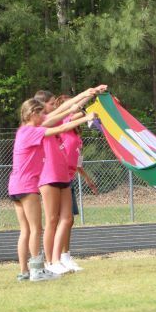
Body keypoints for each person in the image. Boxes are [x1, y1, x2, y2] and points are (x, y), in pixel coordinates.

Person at [9, 98, 99, 282]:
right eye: (41, 113)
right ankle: (37, 271)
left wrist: (82, 100)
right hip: (27, 185)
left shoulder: (22, 130)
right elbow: (61, 127)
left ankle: (24, 272)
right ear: (32, 114)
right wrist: (85, 118)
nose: (45, 116)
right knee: (36, 229)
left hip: (15, 184)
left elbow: (61, 115)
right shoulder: (32, 131)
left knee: (25, 230)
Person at [34, 88, 104, 275]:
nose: (54, 106)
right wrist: (85, 114)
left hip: (63, 175)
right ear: (41, 106)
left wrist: (90, 93)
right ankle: (50, 261)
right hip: (49, 176)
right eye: (51, 104)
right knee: (52, 220)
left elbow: (70, 108)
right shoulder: (42, 124)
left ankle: (59, 259)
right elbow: (68, 114)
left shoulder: (56, 121)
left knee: (66, 219)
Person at [56, 95, 99, 271]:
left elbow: (77, 160)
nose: (74, 107)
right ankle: (58, 257)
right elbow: (77, 114)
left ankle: (64, 256)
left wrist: (86, 177)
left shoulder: (75, 133)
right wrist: (94, 106)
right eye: (71, 105)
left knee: (68, 220)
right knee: (63, 219)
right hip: (59, 177)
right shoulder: (63, 123)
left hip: (70, 177)